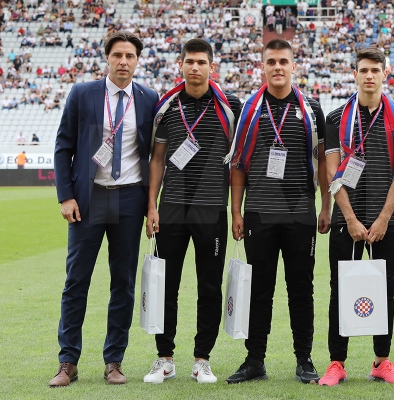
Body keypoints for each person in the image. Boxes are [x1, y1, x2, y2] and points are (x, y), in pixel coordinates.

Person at [51, 31, 159, 387]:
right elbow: (64, 144)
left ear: (137, 61)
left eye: (130, 56)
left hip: (129, 198)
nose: (124, 61)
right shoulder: (83, 94)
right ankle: (68, 361)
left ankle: (114, 360)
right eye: (118, 55)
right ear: (107, 58)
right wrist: (66, 196)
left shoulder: (147, 98)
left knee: (123, 284)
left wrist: (150, 204)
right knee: (76, 281)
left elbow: (153, 154)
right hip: (89, 199)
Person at [224, 39, 329, 385]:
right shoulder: (250, 110)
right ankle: (255, 360)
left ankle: (304, 359)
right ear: (263, 66)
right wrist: (236, 211)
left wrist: (326, 205)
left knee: (302, 288)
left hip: (301, 214)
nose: (278, 67)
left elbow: (324, 164)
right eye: (272, 61)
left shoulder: (311, 110)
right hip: (258, 214)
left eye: (284, 61)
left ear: (293, 66)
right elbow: (238, 164)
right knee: (260, 290)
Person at [143, 38, 242, 384]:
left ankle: (202, 359)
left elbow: (239, 163)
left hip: (211, 210)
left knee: (209, 286)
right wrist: (151, 205)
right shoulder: (165, 106)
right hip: (171, 209)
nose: (195, 67)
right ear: (180, 65)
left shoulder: (231, 105)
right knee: (165, 285)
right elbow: (156, 159)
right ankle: (164, 358)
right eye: (189, 61)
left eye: (202, 62)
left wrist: (235, 211)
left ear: (212, 67)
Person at [319, 47, 394, 387]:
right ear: (354, 74)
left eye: (375, 69)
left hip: (387, 220)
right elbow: (333, 174)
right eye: (363, 70)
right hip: (348, 220)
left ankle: (381, 361)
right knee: (339, 290)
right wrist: (351, 218)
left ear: (385, 74)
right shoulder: (335, 118)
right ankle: (336, 363)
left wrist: (385, 217)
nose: (369, 75)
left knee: (385, 290)